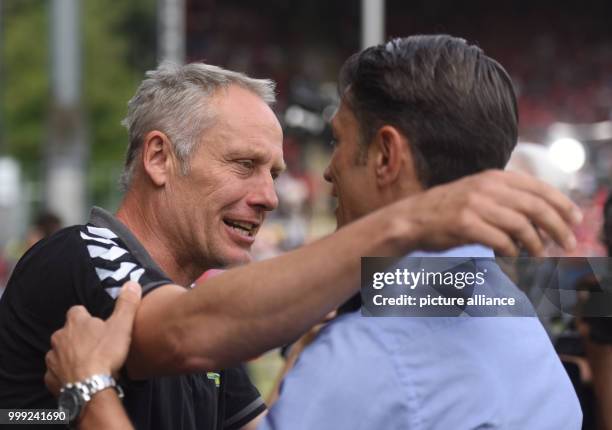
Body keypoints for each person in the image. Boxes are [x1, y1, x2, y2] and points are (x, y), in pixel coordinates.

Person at [2, 56, 580, 429]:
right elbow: (185, 333)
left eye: (274, 172)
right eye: (244, 165)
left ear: (386, 156)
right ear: (158, 157)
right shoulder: (82, 256)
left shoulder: (231, 320)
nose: (271, 196)